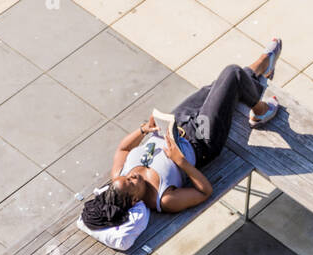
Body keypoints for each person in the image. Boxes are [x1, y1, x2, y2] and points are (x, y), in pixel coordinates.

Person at [80, 39, 283, 244]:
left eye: (128, 177)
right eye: (132, 182)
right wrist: (181, 162)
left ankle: (261, 69)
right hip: (201, 138)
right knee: (231, 74)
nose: (132, 175)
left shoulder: (120, 176)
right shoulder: (164, 199)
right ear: (134, 200)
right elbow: (204, 192)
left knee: (217, 87)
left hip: (175, 121)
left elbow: (123, 148)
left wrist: (143, 130)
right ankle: (260, 110)